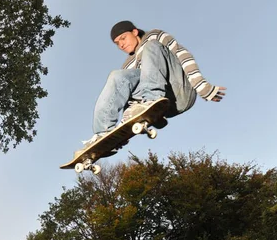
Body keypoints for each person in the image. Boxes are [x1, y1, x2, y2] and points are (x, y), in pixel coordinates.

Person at [76, 21, 226, 156]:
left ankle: (152, 98)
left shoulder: (154, 36)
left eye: (123, 38)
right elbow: (126, 97)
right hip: (164, 105)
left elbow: (182, 55)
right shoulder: (127, 64)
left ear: (134, 32)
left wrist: (202, 86)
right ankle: (103, 131)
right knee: (117, 76)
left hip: (180, 90)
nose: (121, 45)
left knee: (151, 46)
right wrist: (121, 133)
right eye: (117, 43)